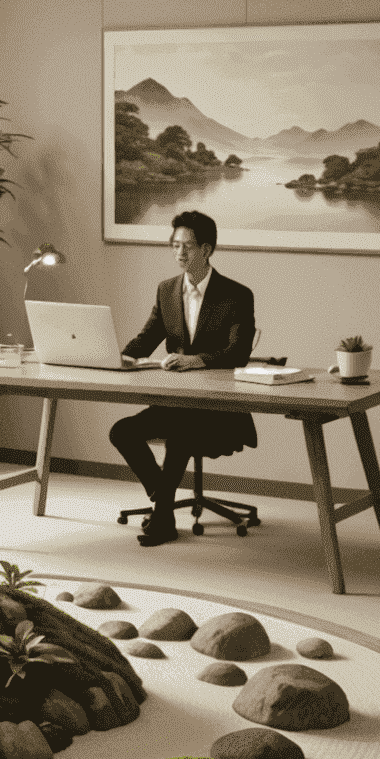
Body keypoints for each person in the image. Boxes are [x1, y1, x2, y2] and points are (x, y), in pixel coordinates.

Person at [108, 210, 256, 546]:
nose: (179, 253)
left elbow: (238, 353)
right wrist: (119, 357)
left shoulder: (236, 295)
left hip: (219, 411)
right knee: (122, 432)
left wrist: (197, 360)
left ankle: (163, 519)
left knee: (180, 434)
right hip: (175, 404)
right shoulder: (166, 290)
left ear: (206, 249)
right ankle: (164, 499)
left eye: (186, 246)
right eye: (174, 246)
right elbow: (147, 338)